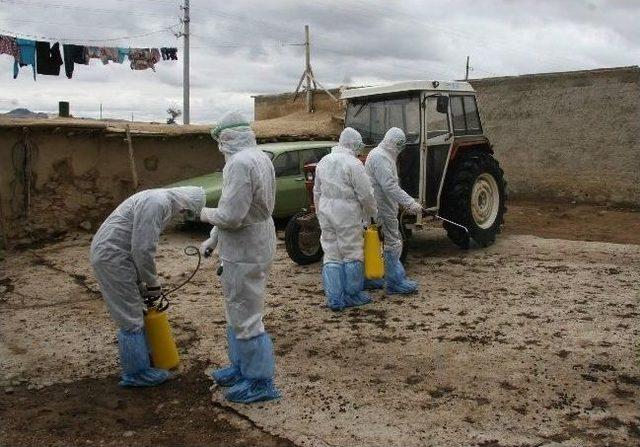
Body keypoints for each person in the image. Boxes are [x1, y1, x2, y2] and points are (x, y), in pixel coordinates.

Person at [200, 111, 280, 404]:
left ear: (225, 139)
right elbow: (235, 209)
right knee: (236, 310)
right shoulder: (259, 157)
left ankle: (260, 382)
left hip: (245, 249)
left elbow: (231, 215)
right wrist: (213, 238)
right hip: (250, 243)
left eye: (220, 142)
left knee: (246, 315)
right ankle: (241, 367)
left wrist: (200, 211)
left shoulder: (239, 163)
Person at [90, 186, 206, 387]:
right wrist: (153, 284)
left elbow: (137, 245)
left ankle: (147, 357)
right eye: (185, 212)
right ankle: (137, 373)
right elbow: (143, 249)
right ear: (185, 203)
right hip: (113, 258)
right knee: (131, 318)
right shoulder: (157, 203)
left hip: (118, 255)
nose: (182, 216)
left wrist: (144, 283)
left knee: (138, 310)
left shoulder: (157, 200)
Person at [314, 127, 378, 311]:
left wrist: (320, 213)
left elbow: (316, 191)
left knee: (331, 253)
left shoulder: (324, 161)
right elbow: (366, 194)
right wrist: (372, 212)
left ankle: (334, 297)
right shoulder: (354, 164)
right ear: (354, 144)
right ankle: (352, 294)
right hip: (347, 212)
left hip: (326, 210)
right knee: (351, 252)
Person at [364, 127, 423, 294]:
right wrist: (410, 203)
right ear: (394, 144)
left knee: (374, 242)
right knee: (392, 243)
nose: (401, 149)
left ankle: (372, 278)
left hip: (381, 206)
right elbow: (389, 185)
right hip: (381, 208)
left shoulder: (382, 155)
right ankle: (395, 282)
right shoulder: (380, 157)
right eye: (400, 145)